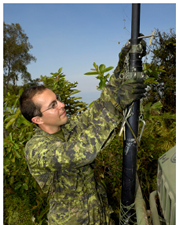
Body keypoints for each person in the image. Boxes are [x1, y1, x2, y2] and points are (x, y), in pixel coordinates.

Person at [19, 42, 146, 225]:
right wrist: (118, 105)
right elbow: (80, 153)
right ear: (37, 119)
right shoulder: (36, 149)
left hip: (100, 217)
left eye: (58, 100)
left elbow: (102, 105)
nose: (62, 105)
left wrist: (121, 68)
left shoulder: (70, 127)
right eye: (53, 105)